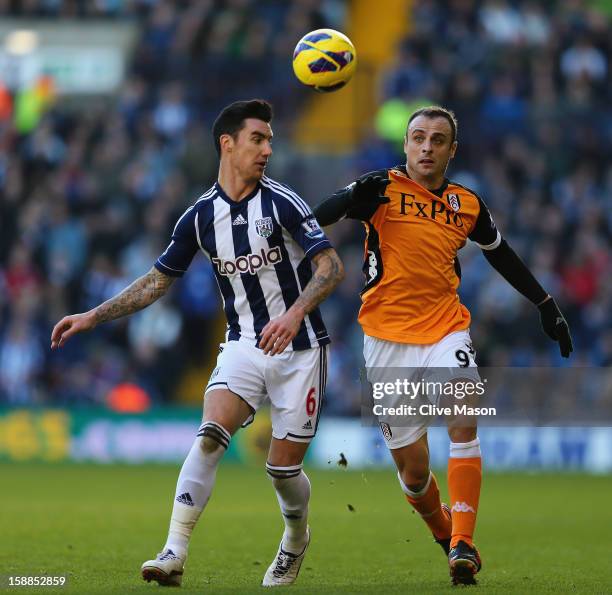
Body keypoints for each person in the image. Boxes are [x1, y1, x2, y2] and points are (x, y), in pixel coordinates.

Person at [50, 99, 344, 588]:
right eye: (258, 139)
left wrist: (294, 316)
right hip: (244, 345)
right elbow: (156, 281)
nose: (268, 149)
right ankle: (174, 551)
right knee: (210, 435)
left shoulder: (283, 204)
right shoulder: (199, 216)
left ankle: (295, 539)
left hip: (301, 348)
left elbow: (331, 267)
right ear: (227, 144)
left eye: (270, 139)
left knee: (280, 471)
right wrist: (93, 315)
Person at [313, 106, 572, 585]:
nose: (427, 147)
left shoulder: (466, 204)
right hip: (386, 341)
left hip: (445, 329)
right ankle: (445, 532)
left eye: (437, 140)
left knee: (463, 415)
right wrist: (350, 194)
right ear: (406, 145)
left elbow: (503, 256)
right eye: (418, 138)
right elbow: (316, 220)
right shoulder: (381, 189)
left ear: (453, 150)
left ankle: (464, 544)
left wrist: (544, 302)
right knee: (414, 474)